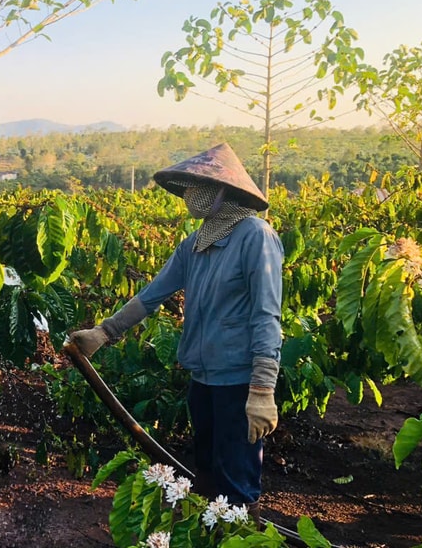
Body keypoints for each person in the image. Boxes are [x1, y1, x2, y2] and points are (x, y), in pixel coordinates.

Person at [68, 142, 283, 519]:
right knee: (206, 475)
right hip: (202, 377)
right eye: (187, 187)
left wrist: (263, 388)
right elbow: (152, 295)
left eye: (198, 186)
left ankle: (239, 539)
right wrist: (103, 333)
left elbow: (267, 314)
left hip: (238, 381)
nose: (190, 195)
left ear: (224, 190)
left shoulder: (255, 236)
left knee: (236, 484)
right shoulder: (196, 243)